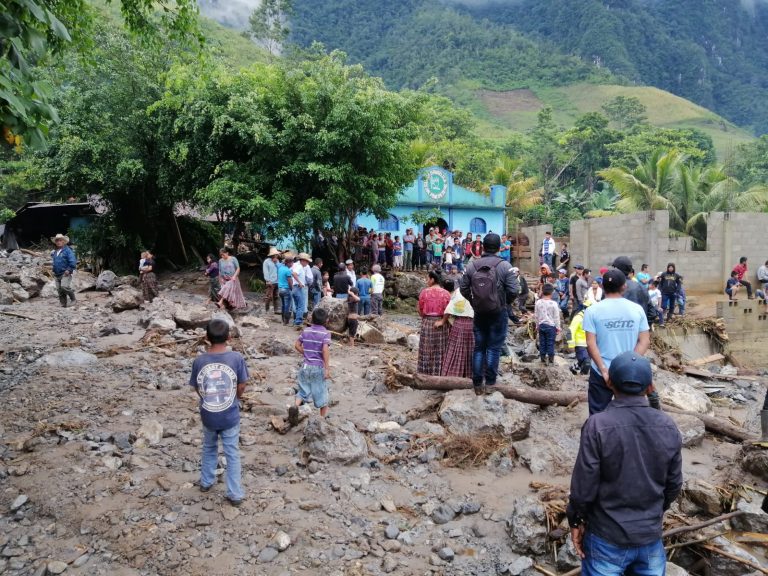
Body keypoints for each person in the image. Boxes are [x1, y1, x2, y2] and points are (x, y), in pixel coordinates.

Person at [567, 351, 682, 576]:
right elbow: (674, 485)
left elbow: (583, 487)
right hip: (649, 538)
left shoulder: (597, 425)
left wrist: (576, 520)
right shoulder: (668, 426)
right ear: (650, 387)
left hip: (606, 537)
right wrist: (653, 514)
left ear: (609, 382)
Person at [189, 319, 249, 506]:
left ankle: (206, 481)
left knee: (209, 447)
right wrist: (236, 397)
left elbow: (198, 387)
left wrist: (206, 398)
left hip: (208, 413)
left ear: (206, 338)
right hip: (230, 414)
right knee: (232, 452)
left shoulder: (199, 361)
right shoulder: (236, 358)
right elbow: (241, 384)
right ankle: (235, 493)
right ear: (229, 337)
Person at [583, 270, 650, 415]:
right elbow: (644, 341)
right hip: (629, 371)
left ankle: (597, 437)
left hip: (601, 371)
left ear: (602, 286)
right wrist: (630, 362)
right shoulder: (637, 310)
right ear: (624, 286)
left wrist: (603, 369)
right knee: (631, 413)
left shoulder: (592, 311)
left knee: (597, 413)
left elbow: (590, 343)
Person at [460, 233, 519, 395]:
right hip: (498, 312)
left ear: (483, 247)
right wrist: (504, 303)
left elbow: (463, 288)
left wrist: (474, 303)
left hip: (479, 312)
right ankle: (490, 383)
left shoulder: (472, 265)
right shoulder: (505, 266)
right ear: (500, 247)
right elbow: (514, 290)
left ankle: (477, 384)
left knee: (479, 348)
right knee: (493, 348)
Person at [290, 307, 332, 423]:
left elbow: (297, 345)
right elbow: (325, 350)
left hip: (305, 366)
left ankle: (295, 406)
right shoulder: (326, 334)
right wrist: (327, 368)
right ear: (326, 321)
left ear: (312, 319)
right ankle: (322, 420)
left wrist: (306, 353)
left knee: (303, 391)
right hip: (317, 367)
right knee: (322, 394)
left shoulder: (306, 331)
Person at [437, 279, 475, 378]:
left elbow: (449, 310)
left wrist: (442, 321)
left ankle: (453, 376)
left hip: (460, 323)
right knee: (472, 351)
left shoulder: (459, 292)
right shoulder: (478, 290)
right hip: (474, 324)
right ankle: (471, 376)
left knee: (456, 351)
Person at [417, 271, 452, 375]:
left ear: (432, 279)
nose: (426, 281)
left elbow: (420, 309)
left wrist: (424, 317)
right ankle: (440, 372)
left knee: (426, 348)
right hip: (441, 322)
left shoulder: (424, 292)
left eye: (427, 279)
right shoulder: (446, 293)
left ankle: (424, 372)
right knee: (440, 349)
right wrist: (443, 321)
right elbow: (449, 310)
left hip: (427, 322)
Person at [612, 256, 657, 326]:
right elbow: (652, 313)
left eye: (614, 268)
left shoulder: (612, 287)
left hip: (618, 330)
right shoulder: (641, 287)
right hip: (638, 330)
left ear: (617, 269)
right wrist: (643, 327)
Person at [535, 283, 561, 364]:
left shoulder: (538, 302)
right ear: (552, 292)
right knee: (550, 343)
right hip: (551, 326)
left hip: (541, 325)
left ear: (542, 291)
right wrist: (558, 327)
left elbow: (536, 315)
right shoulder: (554, 303)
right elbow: (556, 317)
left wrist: (537, 325)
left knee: (542, 342)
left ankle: (542, 358)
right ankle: (550, 359)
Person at [51, 233, 77, 308]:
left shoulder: (67, 250)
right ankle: (63, 304)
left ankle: (73, 299)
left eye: (60, 240)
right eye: (57, 241)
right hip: (57, 274)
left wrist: (69, 269)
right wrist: (53, 270)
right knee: (59, 290)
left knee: (64, 286)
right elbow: (55, 262)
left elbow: (73, 261)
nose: (58, 242)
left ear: (63, 241)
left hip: (65, 273)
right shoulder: (55, 252)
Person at [568, 300, 591, 375]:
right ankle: (581, 376)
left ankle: (574, 368)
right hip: (580, 344)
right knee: (586, 362)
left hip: (590, 344)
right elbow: (570, 330)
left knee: (585, 362)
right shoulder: (579, 317)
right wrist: (571, 345)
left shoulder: (593, 318)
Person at [277, 254, 294, 325]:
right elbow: (290, 281)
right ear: (288, 263)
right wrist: (292, 289)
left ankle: (283, 319)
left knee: (283, 305)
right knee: (287, 305)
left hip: (280, 289)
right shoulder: (288, 271)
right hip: (286, 290)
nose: (292, 264)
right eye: (292, 262)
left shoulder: (280, 268)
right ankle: (286, 321)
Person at [262, 247, 279, 313]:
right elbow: (265, 271)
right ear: (272, 255)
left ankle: (276, 309)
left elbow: (278, 270)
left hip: (277, 281)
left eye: (276, 255)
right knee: (268, 296)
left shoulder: (277, 261)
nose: (276, 256)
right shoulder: (266, 262)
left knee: (276, 296)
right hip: (270, 281)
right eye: (275, 254)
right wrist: (267, 280)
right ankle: (267, 309)